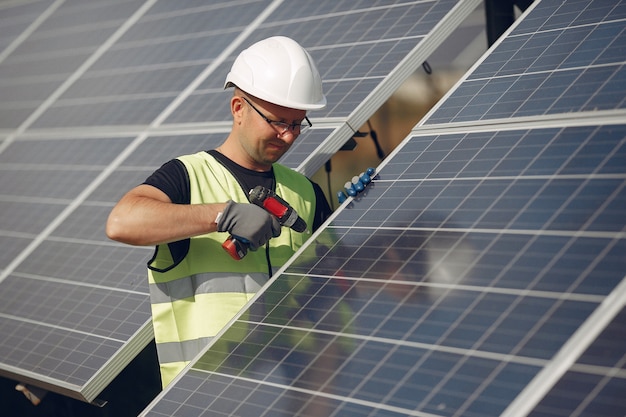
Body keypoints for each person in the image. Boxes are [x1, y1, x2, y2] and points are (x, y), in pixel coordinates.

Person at [106, 36, 333, 388]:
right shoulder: (188, 176)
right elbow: (122, 222)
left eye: (297, 124)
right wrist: (221, 215)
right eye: (276, 121)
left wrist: (363, 210)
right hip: (203, 395)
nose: (287, 136)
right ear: (238, 108)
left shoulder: (307, 193)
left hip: (287, 391)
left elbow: (339, 288)